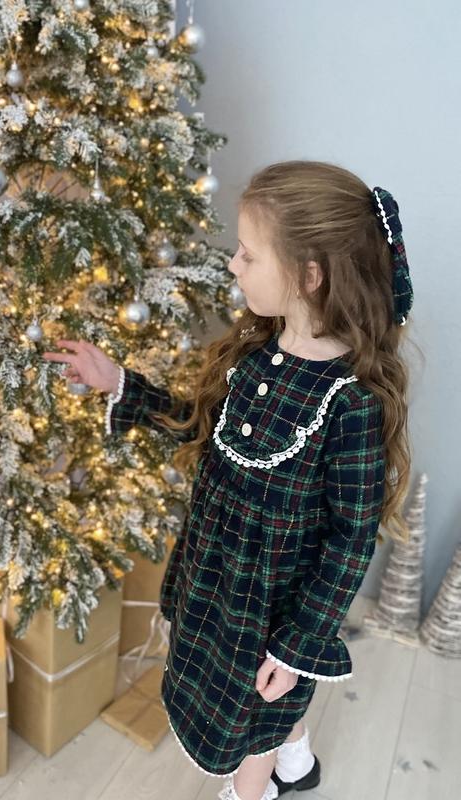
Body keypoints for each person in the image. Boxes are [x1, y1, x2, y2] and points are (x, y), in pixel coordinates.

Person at [41, 160, 414, 800]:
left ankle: (254, 789)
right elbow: (198, 425)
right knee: (238, 696)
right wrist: (119, 383)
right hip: (214, 576)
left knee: (254, 722)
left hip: (269, 607)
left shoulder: (349, 403)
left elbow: (351, 540)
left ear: (309, 276)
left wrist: (299, 645)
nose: (233, 265)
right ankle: (298, 760)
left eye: (247, 254)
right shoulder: (251, 353)